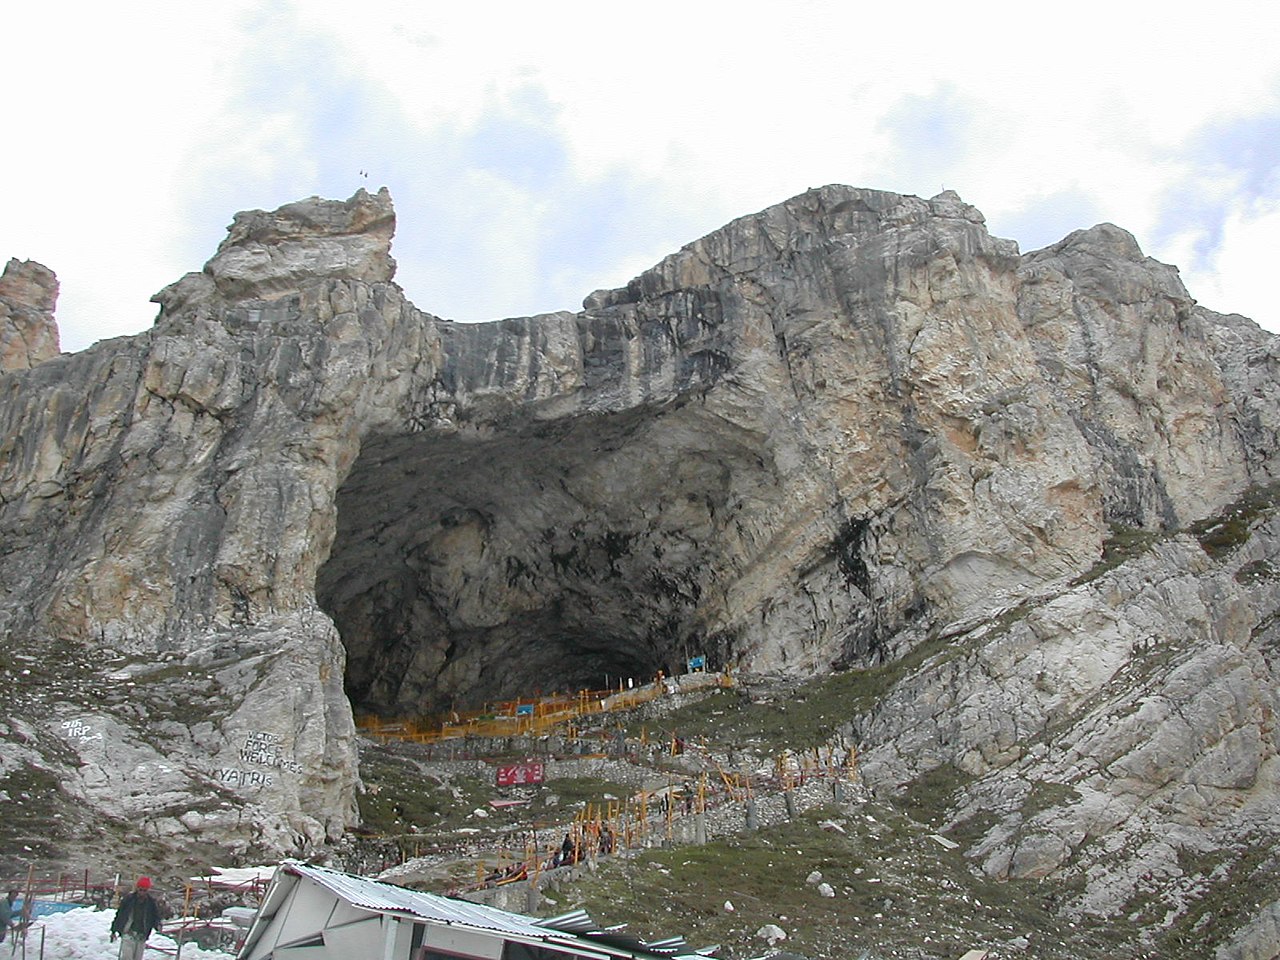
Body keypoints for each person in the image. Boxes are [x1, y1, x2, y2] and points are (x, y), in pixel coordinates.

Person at [110, 876, 163, 960]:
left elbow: (155, 917)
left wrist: (158, 925)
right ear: (137, 888)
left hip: (141, 936)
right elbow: (119, 915)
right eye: (140, 889)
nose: (142, 892)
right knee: (127, 957)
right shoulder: (128, 900)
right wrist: (113, 930)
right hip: (128, 933)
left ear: (147, 890)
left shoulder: (151, 903)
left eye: (144, 890)